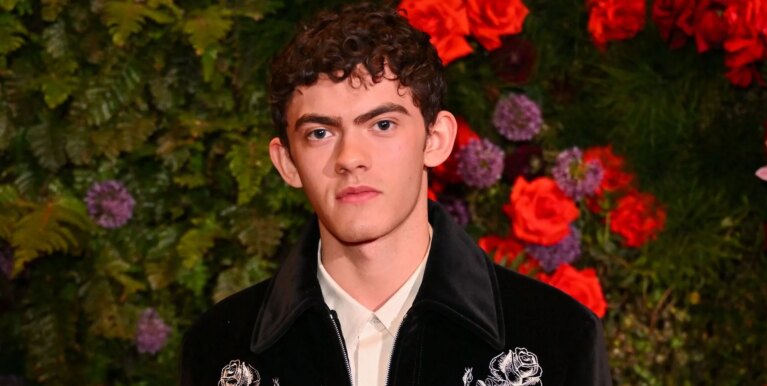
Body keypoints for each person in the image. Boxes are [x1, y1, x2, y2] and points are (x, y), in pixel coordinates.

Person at [180, 3, 612, 386]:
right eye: (320, 132)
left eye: (382, 125)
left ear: (436, 139)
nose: (350, 157)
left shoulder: (557, 339)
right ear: (288, 163)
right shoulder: (219, 351)